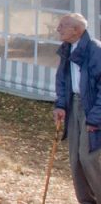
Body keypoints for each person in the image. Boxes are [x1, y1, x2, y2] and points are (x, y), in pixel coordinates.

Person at [54, 12, 101, 203]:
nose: (58, 29)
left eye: (63, 25)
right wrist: (60, 104)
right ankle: (86, 200)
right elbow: (63, 80)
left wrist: (95, 118)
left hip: (91, 108)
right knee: (75, 159)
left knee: (88, 157)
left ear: (77, 30)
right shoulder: (66, 49)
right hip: (73, 104)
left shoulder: (95, 50)